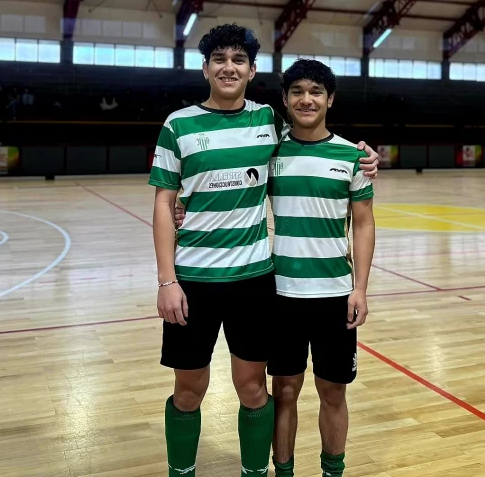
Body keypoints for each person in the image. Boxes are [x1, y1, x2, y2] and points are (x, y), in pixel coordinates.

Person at [148, 24, 378, 477]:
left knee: (254, 389)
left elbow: (315, 137)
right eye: (219, 59)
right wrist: (166, 279)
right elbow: (163, 201)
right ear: (205, 68)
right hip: (192, 280)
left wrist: (365, 156)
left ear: (252, 71)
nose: (229, 68)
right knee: (188, 390)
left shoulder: (268, 122)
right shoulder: (178, 125)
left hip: (254, 281)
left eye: (239, 60)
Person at [268, 59, 375, 477]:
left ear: (330, 100)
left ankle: (333, 472)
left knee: (333, 392)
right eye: (297, 91)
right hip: (281, 294)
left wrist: (360, 288)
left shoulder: (353, 156)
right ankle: (284, 472)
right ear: (285, 99)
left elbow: (363, 224)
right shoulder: (271, 149)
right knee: (284, 391)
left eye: (316, 92)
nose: (306, 99)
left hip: (335, 296)